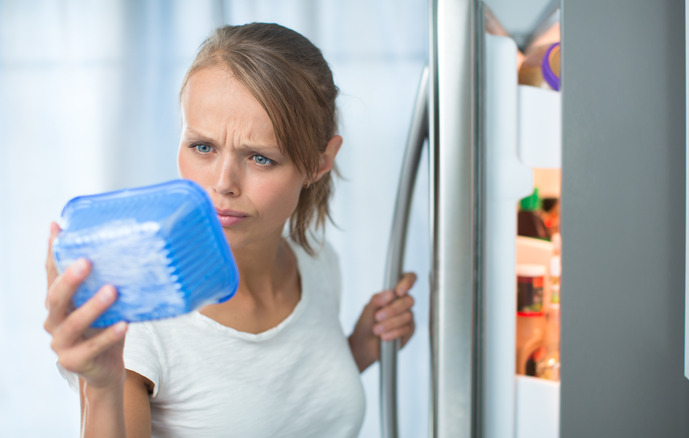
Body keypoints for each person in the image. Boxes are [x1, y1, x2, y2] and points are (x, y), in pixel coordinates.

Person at [43, 22, 416, 438]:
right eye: (202, 147)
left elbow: (277, 406)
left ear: (319, 162)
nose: (223, 184)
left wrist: (358, 351)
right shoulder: (139, 313)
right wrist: (101, 389)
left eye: (259, 157)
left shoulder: (318, 262)